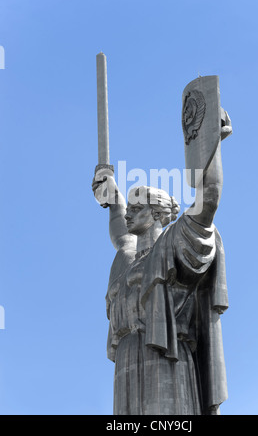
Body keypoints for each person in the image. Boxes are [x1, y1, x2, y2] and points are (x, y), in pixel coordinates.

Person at [92, 140, 228, 415]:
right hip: (128, 356)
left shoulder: (174, 244)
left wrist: (209, 142)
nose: (128, 213)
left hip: (166, 352)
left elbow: (209, 197)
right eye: (128, 209)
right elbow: (119, 227)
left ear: (156, 213)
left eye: (136, 208)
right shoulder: (126, 255)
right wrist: (111, 193)